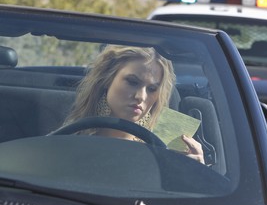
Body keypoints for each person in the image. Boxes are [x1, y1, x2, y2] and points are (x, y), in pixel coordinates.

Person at [64, 44, 204, 163]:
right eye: (132, 82)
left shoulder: (168, 149)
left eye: (152, 89)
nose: (141, 96)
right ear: (107, 79)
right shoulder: (68, 139)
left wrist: (194, 174)